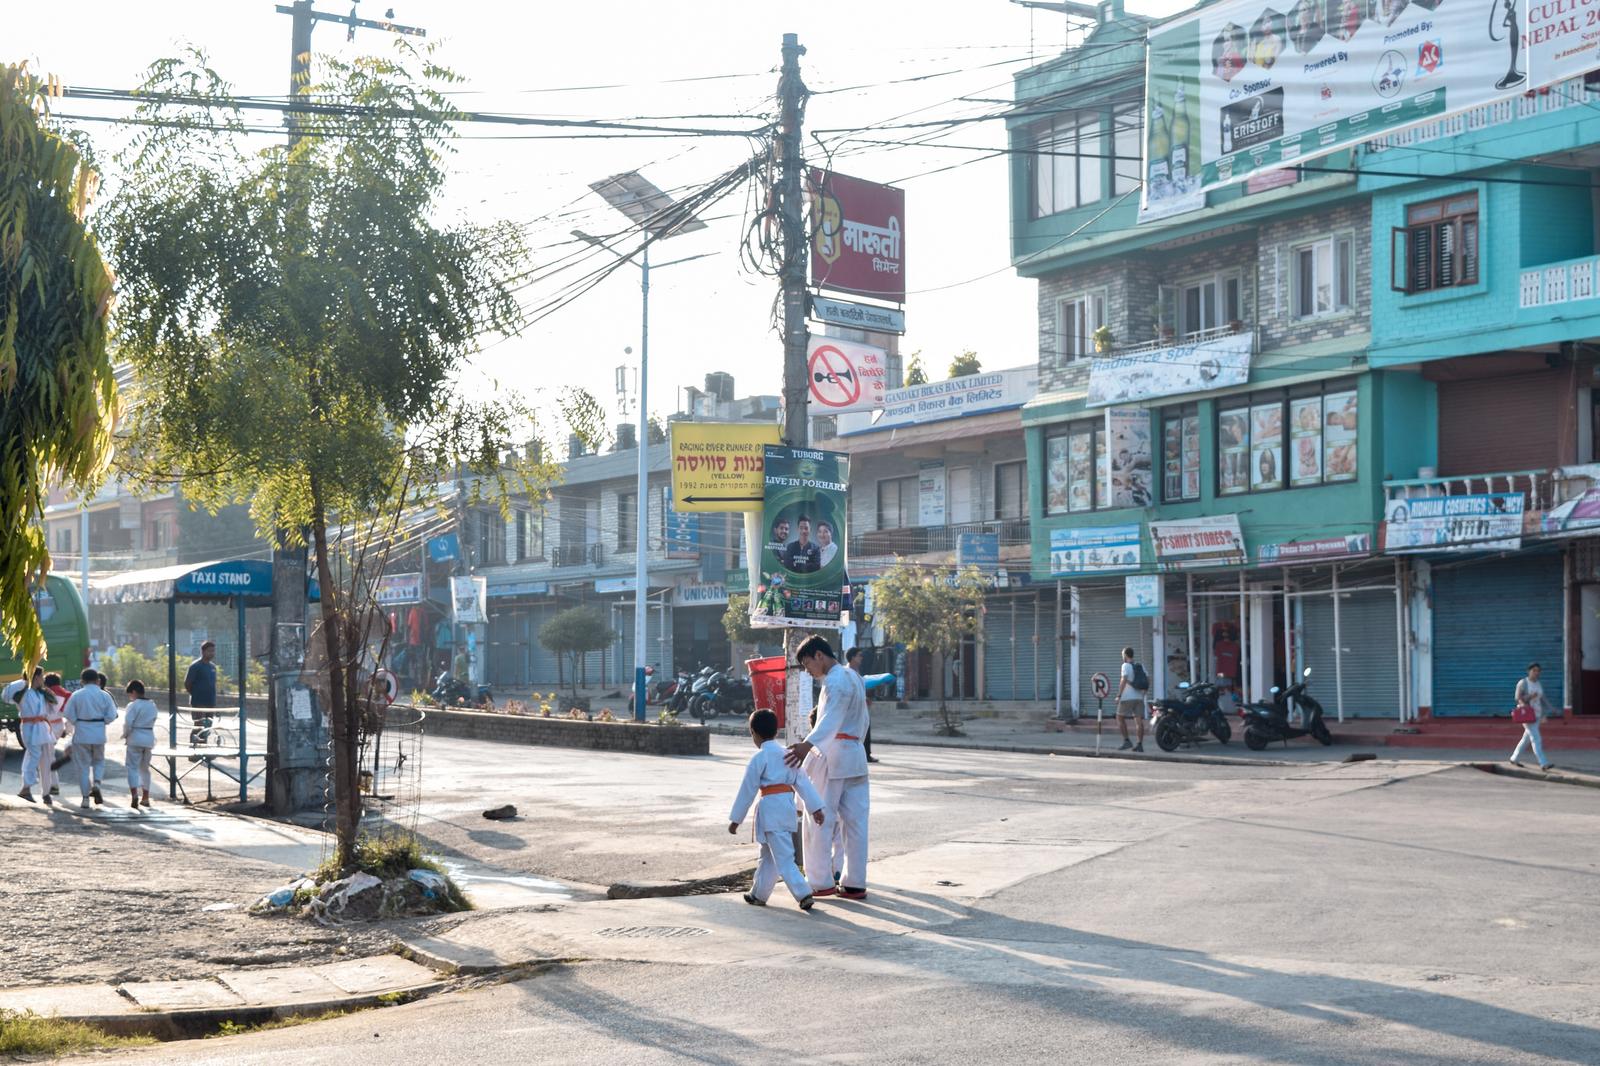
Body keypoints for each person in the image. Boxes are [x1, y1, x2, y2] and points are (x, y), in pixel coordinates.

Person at [785, 634, 871, 901]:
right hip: (855, 755)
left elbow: (830, 720)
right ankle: (855, 882)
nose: (809, 671)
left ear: (819, 655)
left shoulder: (834, 681)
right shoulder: (854, 677)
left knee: (818, 819)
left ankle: (821, 882)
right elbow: (863, 719)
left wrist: (807, 745)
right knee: (855, 823)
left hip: (832, 755)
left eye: (808, 664)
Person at [728, 709, 826, 910]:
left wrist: (736, 819)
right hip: (786, 807)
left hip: (771, 810)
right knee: (768, 856)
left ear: (753, 733)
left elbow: (747, 791)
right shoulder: (789, 755)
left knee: (783, 857)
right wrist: (816, 808)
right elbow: (804, 784)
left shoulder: (759, 758)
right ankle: (758, 894)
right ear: (776, 731)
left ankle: (803, 892)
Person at [65, 667, 118, 809]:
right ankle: (97, 784)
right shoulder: (104, 695)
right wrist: (103, 721)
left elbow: (68, 714)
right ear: (98, 680)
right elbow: (112, 715)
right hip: (99, 733)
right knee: (99, 761)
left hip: (81, 734)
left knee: (83, 767)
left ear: (82, 681)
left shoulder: (76, 695)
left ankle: (85, 799)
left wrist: (78, 721)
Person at [7, 668, 58, 805]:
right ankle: (26, 787)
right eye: (41, 676)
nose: (43, 679)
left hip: (43, 727)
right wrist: (25, 680)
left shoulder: (42, 692)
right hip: (30, 726)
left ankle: (46, 793)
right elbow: (6, 695)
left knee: (47, 759)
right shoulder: (22, 692)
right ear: (35, 677)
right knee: (34, 754)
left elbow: (54, 708)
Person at [122, 679, 160, 809]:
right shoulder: (152, 705)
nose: (130, 697)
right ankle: (145, 797)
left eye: (130, 694)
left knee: (132, 767)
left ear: (133, 692)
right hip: (149, 738)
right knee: (145, 769)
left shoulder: (133, 705)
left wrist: (125, 735)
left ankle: (134, 795)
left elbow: (128, 723)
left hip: (135, 738)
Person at [1511, 662, 1555, 771]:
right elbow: (1517, 698)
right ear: (1529, 671)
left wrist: (1551, 710)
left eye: (1538, 671)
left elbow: (1542, 699)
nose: (1536, 673)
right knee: (1536, 739)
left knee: (1526, 739)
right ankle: (1543, 763)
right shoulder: (1523, 683)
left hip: (1537, 715)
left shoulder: (1538, 683)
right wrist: (1530, 696)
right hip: (1527, 716)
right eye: (1534, 670)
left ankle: (1514, 758)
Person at [846, 646, 879, 764]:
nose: (861, 658)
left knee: (866, 729)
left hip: (861, 708)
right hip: (852, 710)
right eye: (859, 655)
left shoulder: (857, 673)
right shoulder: (846, 673)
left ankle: (866, 754)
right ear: (853, 657)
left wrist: (865, 699)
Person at [184, 641, 218, 748]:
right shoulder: (195, 666)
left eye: (213, 651)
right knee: (198, 726)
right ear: (203, 651)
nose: (212, 653)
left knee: (207, 727)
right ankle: (194, 750)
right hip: (198, 702)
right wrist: (195, 694)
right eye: (209, 651)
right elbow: (187, 683)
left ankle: (203, 749)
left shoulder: (213, 667)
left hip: (210, 702)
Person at [42, 672, 71, 798]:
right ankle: (53, 785)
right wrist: (67, 730)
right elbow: (69, 714)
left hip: (49, 726)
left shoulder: (47, 693)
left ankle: (53, 785)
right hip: (59, 725)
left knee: (47, 756)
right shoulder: (65, 693)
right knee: (49, 754)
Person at [1116, 645, 1147, 753]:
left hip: (1127, 697)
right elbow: (1148, 679)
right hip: (1139, 697)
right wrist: (1144, 693)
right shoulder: (1140, 666)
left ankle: (1126, 741)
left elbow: (1123, 680)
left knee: (1119, 717)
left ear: (1125, 655)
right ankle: (1139, 745)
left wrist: (1119, 695)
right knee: (1138, 721)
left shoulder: (1125, 665)